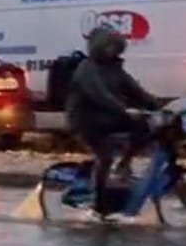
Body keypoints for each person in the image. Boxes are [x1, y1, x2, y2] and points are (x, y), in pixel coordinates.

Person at [66, 27, 159, 215]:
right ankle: (99, 202)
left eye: (116, 48)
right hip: (86, 120)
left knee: (146, 129)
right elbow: (99, 95)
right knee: (105, 157)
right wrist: (124, 110)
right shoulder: (87, 69)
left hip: (109, 117)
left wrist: (157, 105)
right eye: (109, 47)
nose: (113, 51)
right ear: (99, 47)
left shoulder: (115, 68)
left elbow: (134, 90)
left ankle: (124, 163)